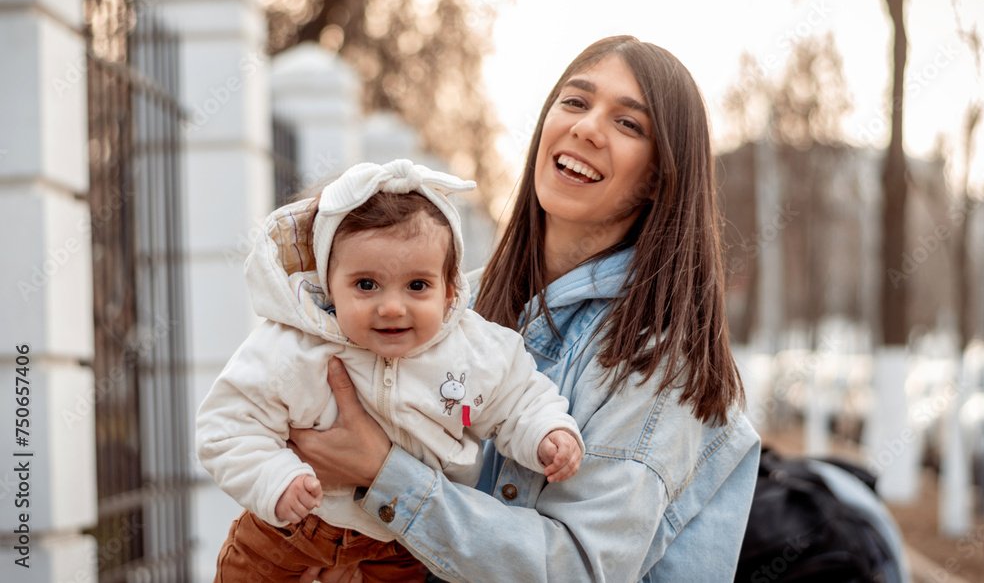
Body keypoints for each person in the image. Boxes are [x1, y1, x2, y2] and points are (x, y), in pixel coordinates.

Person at [288, 35, 762, 583]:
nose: (587, 127)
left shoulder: (654, 359)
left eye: (628, 124)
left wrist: (383, 474)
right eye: (576, 102)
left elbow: (579, 568)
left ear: (659, 176)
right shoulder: (460, 305)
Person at [197, 160, 585, 582]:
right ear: (329, 283)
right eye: (366, 284)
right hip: (290, 530)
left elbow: (520, 400)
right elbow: (227, 426)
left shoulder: (478, 351)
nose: (392, 307)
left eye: (417, 286)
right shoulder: (290, 346)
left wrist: (548, 432)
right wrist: (275, 478)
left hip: (404, 542)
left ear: (449, 289)